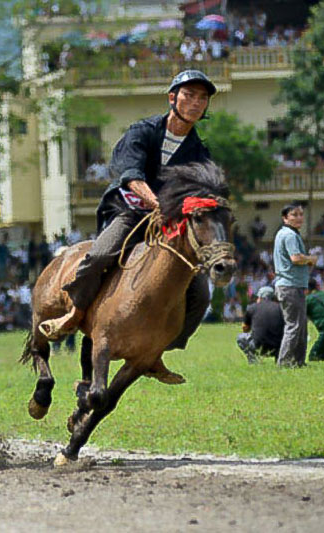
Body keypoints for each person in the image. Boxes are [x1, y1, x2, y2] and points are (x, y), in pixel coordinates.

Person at [41, 70, 216, 352]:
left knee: (200, 289)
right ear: (172, 98)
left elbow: (200, 192)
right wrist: (158, 204)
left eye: (202, 98)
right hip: (130, 212)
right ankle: (75, 313)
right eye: (189, 95)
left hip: (170, 222)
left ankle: (162, 347)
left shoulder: (199, 151)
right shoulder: (142, 131)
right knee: (99, 255)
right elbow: (131, 176)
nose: (196, 103)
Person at [273, 203, 317, 367]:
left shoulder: (284, 233)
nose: (299, 218)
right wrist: (310, 259)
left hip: (292, 285)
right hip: (290, 285)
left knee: (301, 325)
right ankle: (284, 362)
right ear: (285, 218)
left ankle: (298, 361)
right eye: (294, 215)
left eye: (300, 214)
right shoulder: (290, 235)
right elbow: (296, 258)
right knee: (294, 325)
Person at [236, 286, 284, 363]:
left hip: (259, 346)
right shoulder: (281, 308)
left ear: (260, 297)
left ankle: (253, 361)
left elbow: (245, 328)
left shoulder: (251, 308)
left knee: (240, 337)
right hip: (278, 348)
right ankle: (278, 360)